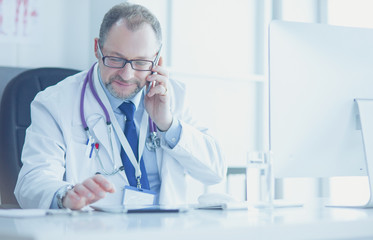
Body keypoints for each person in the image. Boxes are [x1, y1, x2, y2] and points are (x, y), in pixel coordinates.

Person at [14, 2, 226, 210]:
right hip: (95, 230)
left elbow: (215, 171)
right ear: (97, 48)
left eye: (141, 62)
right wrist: (65, 196)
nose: (127, 74)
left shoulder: (174, 96)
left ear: (157, 59)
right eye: (116, 59)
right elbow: (31, 182)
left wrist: (168, 124)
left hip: (164, 230)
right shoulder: (55, 103)